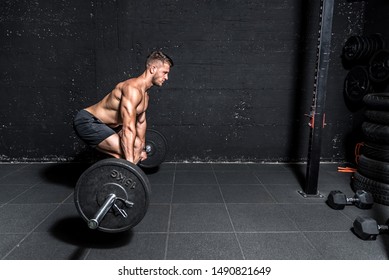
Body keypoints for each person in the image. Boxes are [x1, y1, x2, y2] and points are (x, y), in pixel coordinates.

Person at [73, 51, 173, 164]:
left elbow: (141, 123)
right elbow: (128, 128)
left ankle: (122, 175)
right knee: (123, 153)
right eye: (164, 73)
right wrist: (130, 165)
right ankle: (119, 177)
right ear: (153, 69)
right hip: (88, 121)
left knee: (136, 148)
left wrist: (141, 149)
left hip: (110, 126)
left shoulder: (145, 95)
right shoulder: (132, 89)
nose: (167, 77)